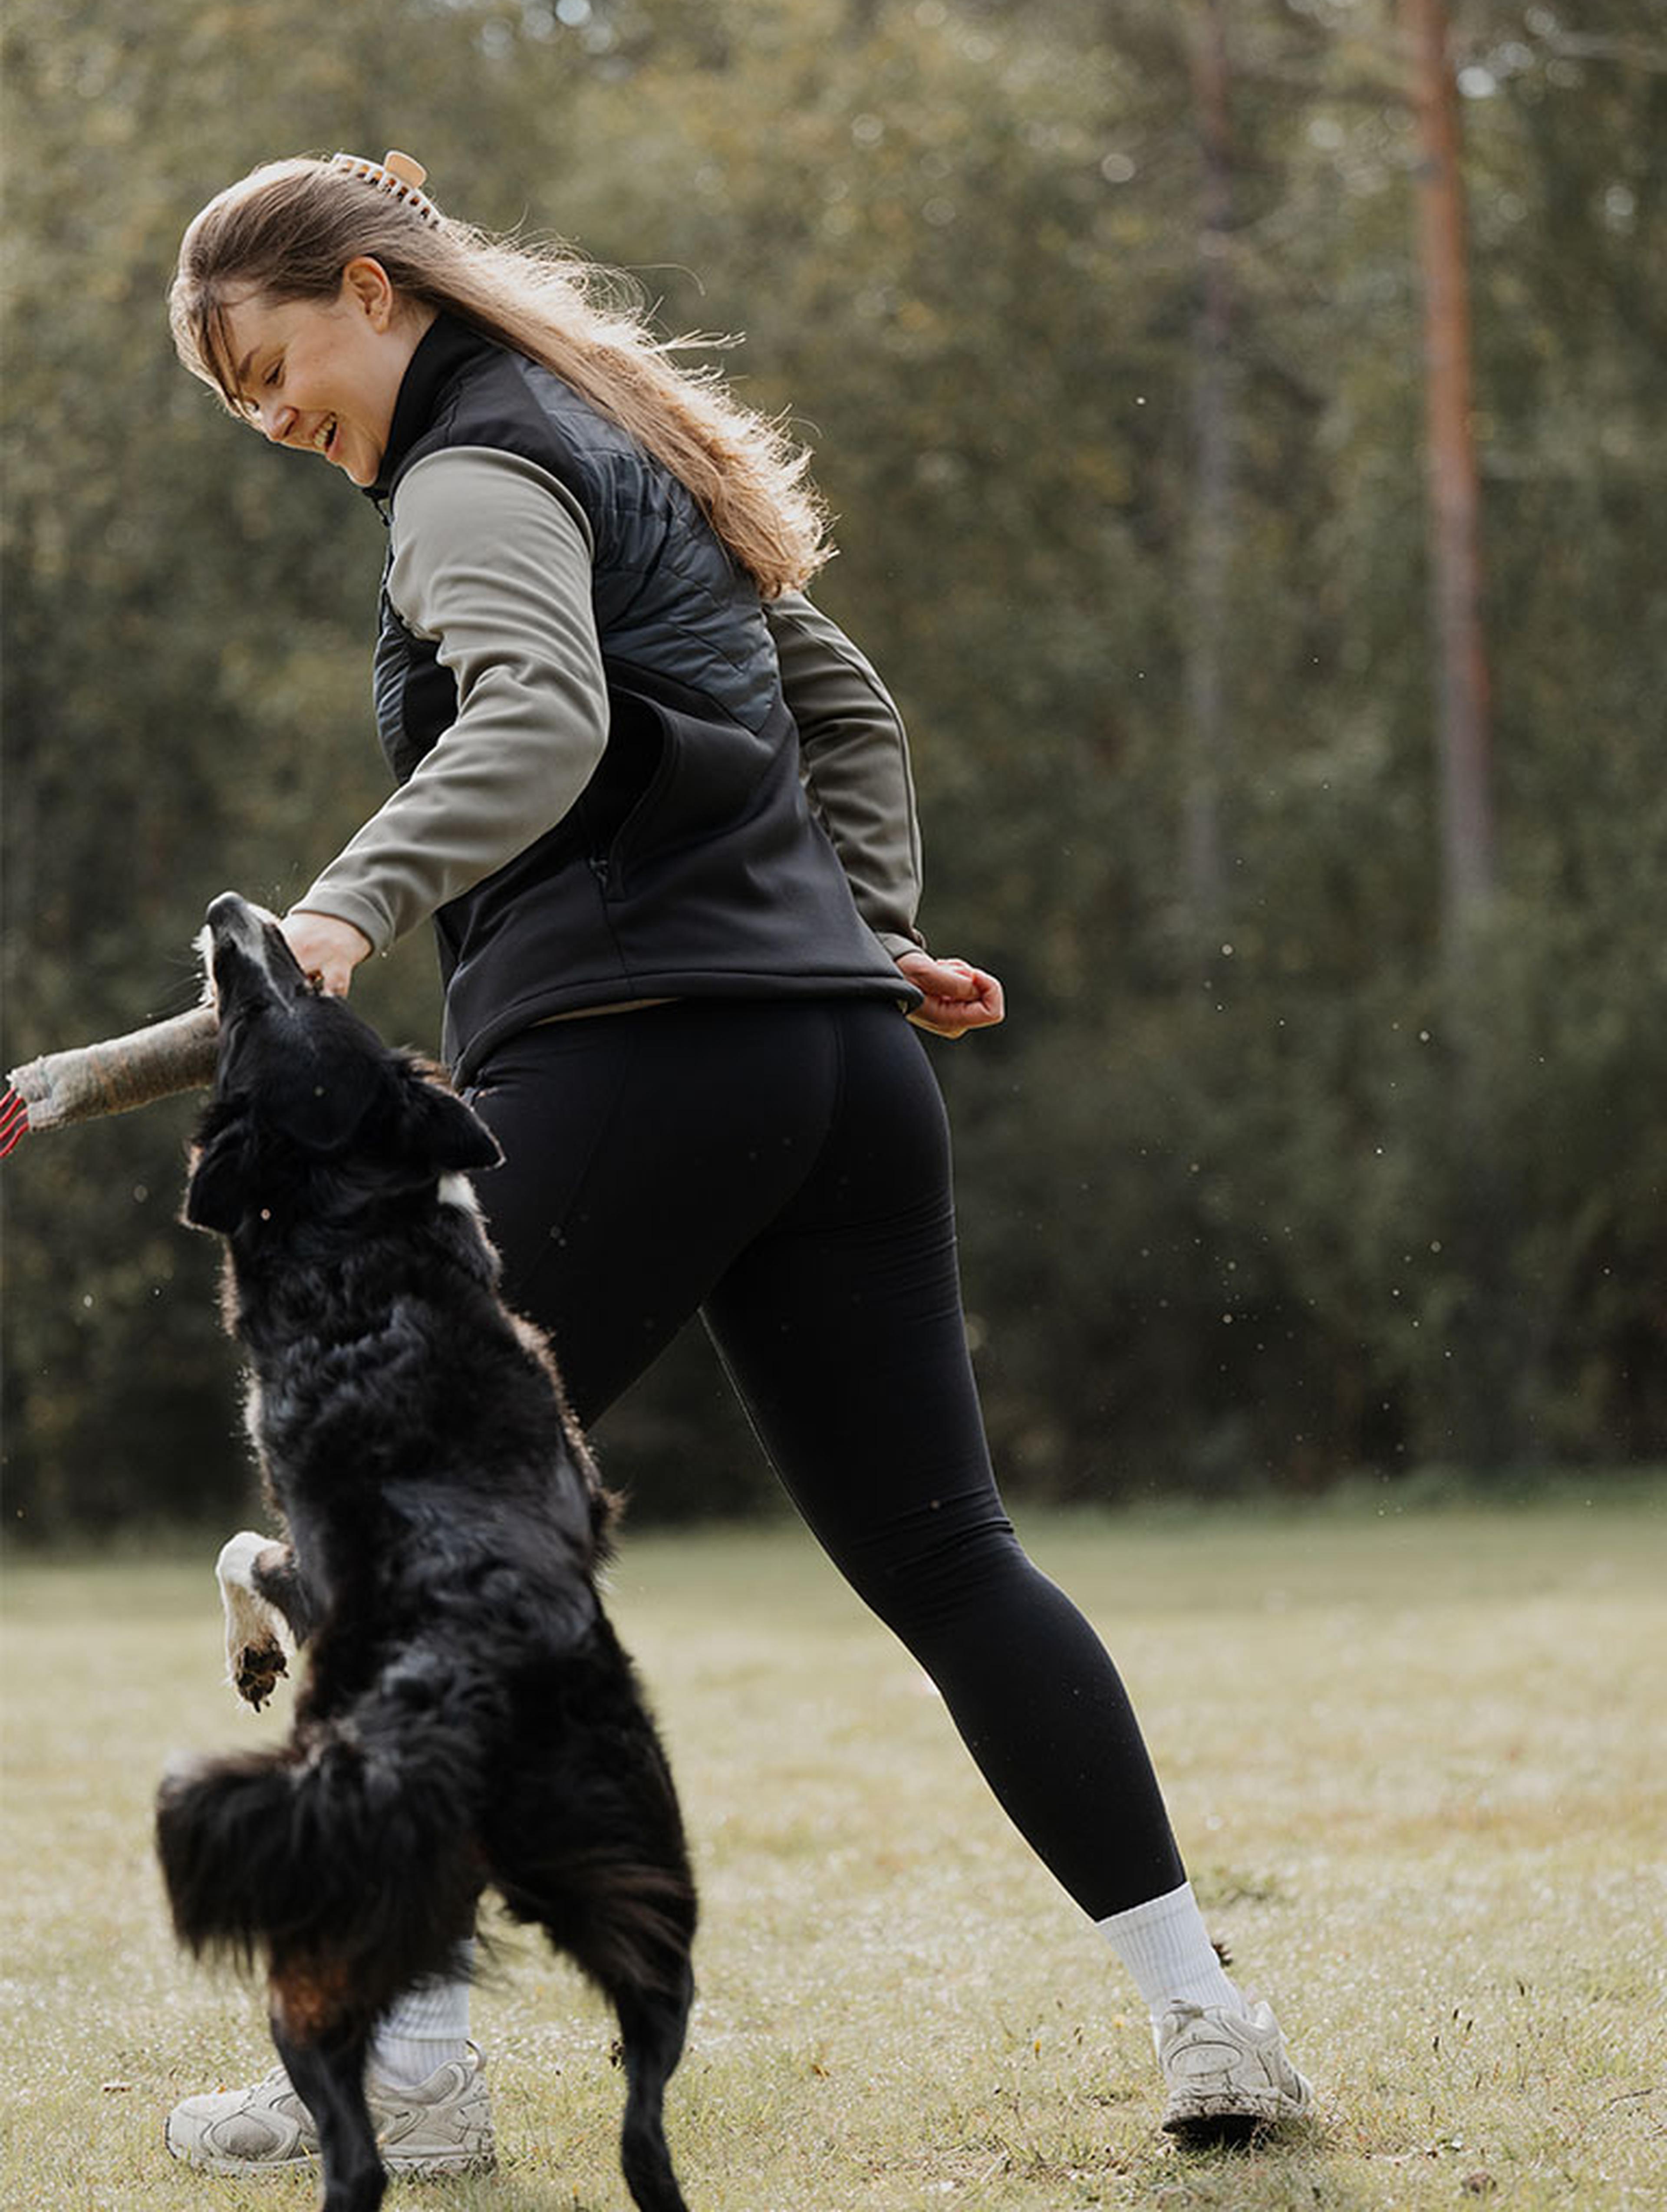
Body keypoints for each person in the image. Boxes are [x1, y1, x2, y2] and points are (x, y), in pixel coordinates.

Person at [159, 150, 1311, 2178]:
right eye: (237, 410)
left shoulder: (465, 471)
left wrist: (347, 906)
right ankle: (1211, 2017)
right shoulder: (622, 446)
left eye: (269, 372)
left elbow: (535, 715)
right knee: (951, 1555)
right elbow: (844, 712)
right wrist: (858, 930)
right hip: (841, 1074)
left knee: (407, 1538)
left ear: (364, 288)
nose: (273, 427)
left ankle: (400, 2077)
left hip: (633, 1053)